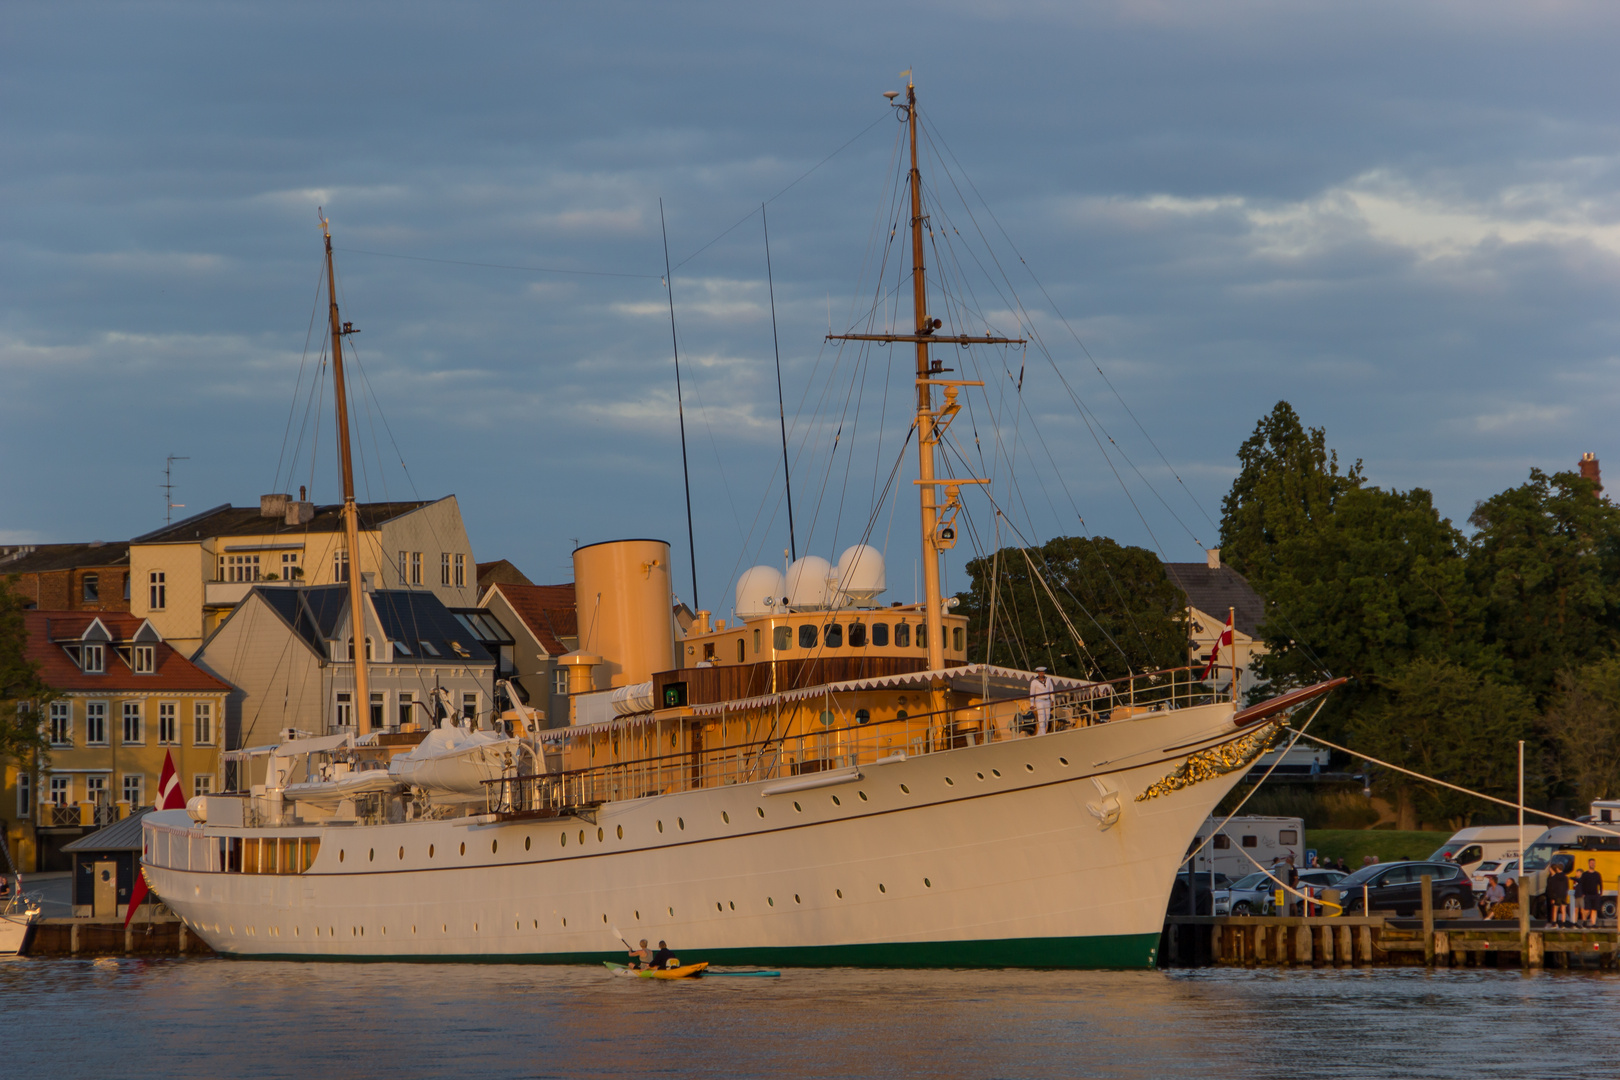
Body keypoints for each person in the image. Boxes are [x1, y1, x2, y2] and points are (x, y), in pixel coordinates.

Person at [1028, 667, 1054, 736]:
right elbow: (1032, 693)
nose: (1041, 674)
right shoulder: (1034, 682)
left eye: (1042, 672)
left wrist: (1052, 700)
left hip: (1047, 700)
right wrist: (1032, 704)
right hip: (1039, 700)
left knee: (1047, 717)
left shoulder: (1048, 680)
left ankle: (1040, 732)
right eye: (1040, 673)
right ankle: (1043, 733)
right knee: (1041, 716)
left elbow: (1051, 690)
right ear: (1038, 673)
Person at [1577, 859, 1604, 926]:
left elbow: (1600, 884)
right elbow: (1581, 884)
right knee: (1587, 910)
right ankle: (1584, 921)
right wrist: (1582, 893)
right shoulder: (1585, 874)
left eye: (1593, 863)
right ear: (1589, 864)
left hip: (1595, 895)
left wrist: (1600, 893)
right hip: (1587, 895)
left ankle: (1593, 923)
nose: (1592, 864)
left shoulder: (1597, 874)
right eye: (1591, 863)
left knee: (1594, 909)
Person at [1547, 860, 1572, 927]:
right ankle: (1563, 923)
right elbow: (1567, 887)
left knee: (1555, 909)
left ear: (1557, 869)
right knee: (1563, 909)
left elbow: (1553, 887)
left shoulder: (1555, 877)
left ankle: (1554, 923)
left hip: (1557, 895)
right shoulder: (1565, 877)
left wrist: (1552, 897)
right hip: (1563, 895)